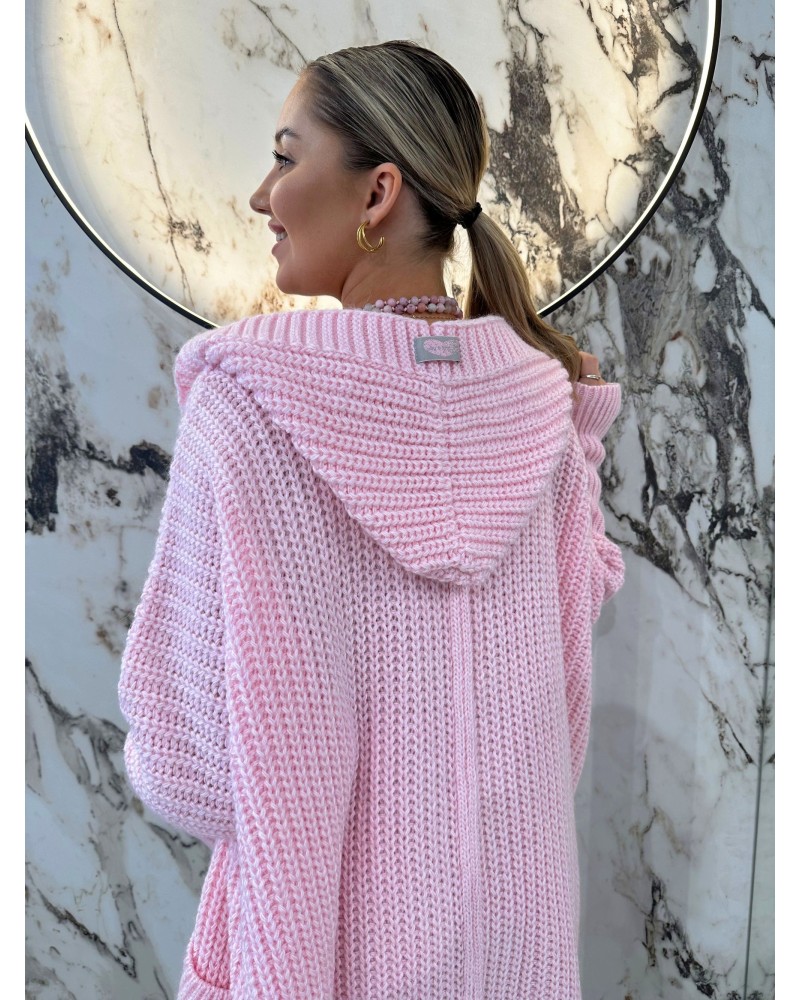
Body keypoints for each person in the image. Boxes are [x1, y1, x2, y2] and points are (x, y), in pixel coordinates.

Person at [118, 39, 625, 1000]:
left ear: (378, 191)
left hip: (318, 950)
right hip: (514, 952)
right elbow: (560, 716)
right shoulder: (540, 406)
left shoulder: (250, 405)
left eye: (284, 156)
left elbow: (183, 759)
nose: (262, 196)